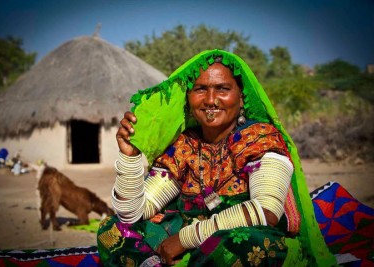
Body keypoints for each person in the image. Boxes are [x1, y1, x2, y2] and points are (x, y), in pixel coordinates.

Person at [97, 50, 336, 266]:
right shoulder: (184, 146)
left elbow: (267, 210)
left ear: (241, 98)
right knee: (114, 229)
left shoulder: (260, 139)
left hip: (237, 244)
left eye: (222, 89)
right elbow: (134, 213)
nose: (211, 100)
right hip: (186, 252)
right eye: (200, 89)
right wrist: (129, 159)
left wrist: (185, 238)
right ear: (188, 100)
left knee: (244, 245)